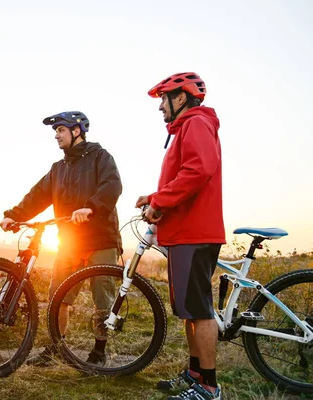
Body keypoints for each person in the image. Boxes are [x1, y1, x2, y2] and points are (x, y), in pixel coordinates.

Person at [0, 111, 123, 367]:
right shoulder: (59, 168)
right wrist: (15, 215)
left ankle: (99, 351)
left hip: (100, 239)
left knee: (102, 297)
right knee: (58, 296)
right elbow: (38, 195)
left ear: (76, 131)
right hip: (69, 241)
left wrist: (91, 207)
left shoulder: (101, 157)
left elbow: (112, 185)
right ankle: (55, 348)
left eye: (61, 131)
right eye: (55, 132)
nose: (56, 136)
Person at [136, 72, 225, 400]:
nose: (160, 106)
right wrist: (154, 197)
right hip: (184, 232)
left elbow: (199, 170)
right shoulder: (187, 127)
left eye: (164, 98)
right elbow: (184, 175)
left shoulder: (196, 123)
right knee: (189, 310)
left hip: (194, 232)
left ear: (181, 97)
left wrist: (160, 201)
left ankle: (209, 387)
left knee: (199, 310)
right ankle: (194, 373)